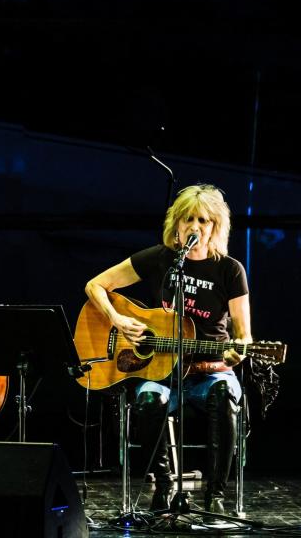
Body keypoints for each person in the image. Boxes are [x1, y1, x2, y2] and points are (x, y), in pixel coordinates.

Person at [84, 184, 252, 515]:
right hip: (160, 371)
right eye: (188, 218)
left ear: (215, 226)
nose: (195, 227)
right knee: (148, 399)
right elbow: (95, 285)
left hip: (210, 371)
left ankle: (215, 494)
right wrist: (117, 320)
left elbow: (244, 335)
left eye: (203, 220)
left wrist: (239, 351)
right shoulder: (161, 260)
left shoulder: (230, 270)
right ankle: (163, 487)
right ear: (176, 224)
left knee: (225, 397)